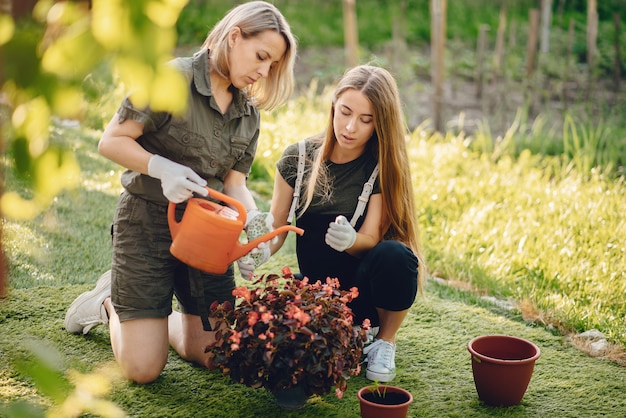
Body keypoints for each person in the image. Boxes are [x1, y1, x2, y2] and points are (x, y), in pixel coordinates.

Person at [64, 1, 297, 384]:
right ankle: (109, 302)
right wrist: (160, 167)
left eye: (272, 65)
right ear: (234, 36)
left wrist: (254, 226)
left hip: (207, 235)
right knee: (143, 370)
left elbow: (235, 183)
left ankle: (149, 317)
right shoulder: (172, 78)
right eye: (261, 57)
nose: (263, 72)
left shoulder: (248, 113)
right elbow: (111, 140)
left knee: (217, 355)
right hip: (147, 226)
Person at [264, 65, 425, 383]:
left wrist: (351, 240)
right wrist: (257, 251)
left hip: (362, 289)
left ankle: (383, 341)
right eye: (345, 113)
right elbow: (276, 227)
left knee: (397, 255)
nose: (350, 127)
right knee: (273, 327)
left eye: (366, 120)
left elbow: (371, 237)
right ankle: (344, 331)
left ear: (380, 124)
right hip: (317, 287)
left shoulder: (381, 166)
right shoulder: (297, 158)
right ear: (333, 107)